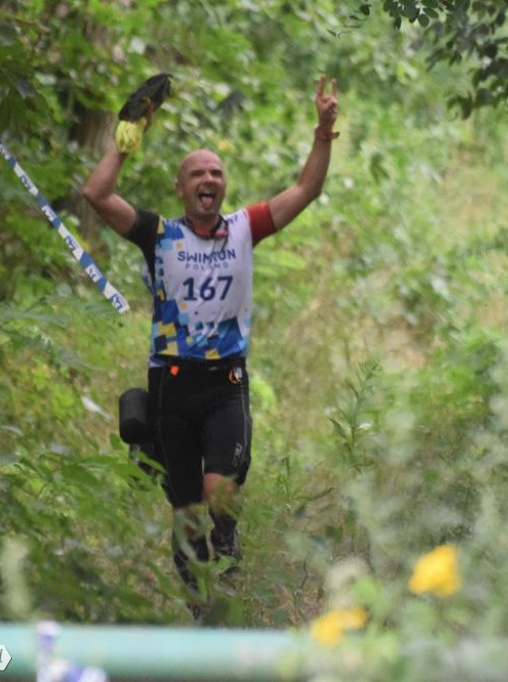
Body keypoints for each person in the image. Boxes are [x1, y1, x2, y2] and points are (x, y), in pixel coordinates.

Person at [82, 74, 339, 611]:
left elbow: (306, 190)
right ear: (181, 188)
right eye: (197, 172)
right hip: (171, 384)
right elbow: (96, 194)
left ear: (224, 186)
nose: (208, 178)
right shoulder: (159, 234)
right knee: (187, 510)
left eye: (216, 172)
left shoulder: (247, 227)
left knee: (219, 492)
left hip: (225, 383)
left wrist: (323, 131)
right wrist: (127, 137)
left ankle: (228, 564)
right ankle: (200, 603)